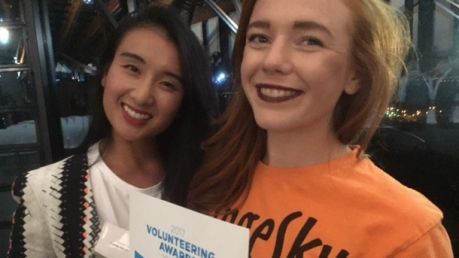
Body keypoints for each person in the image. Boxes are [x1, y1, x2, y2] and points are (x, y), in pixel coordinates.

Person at [187, 0, 454, 257]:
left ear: (356, 74)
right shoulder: (215, 177)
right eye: (260, 38)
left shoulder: (406, 232)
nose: (271, 61)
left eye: (310, 41)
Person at [8, 5, 217, 257]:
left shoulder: (209, 183)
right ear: (106, 73)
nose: (142, 96)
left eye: (168, 83)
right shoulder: (44, 192)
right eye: (132, 68)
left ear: (183, 101)